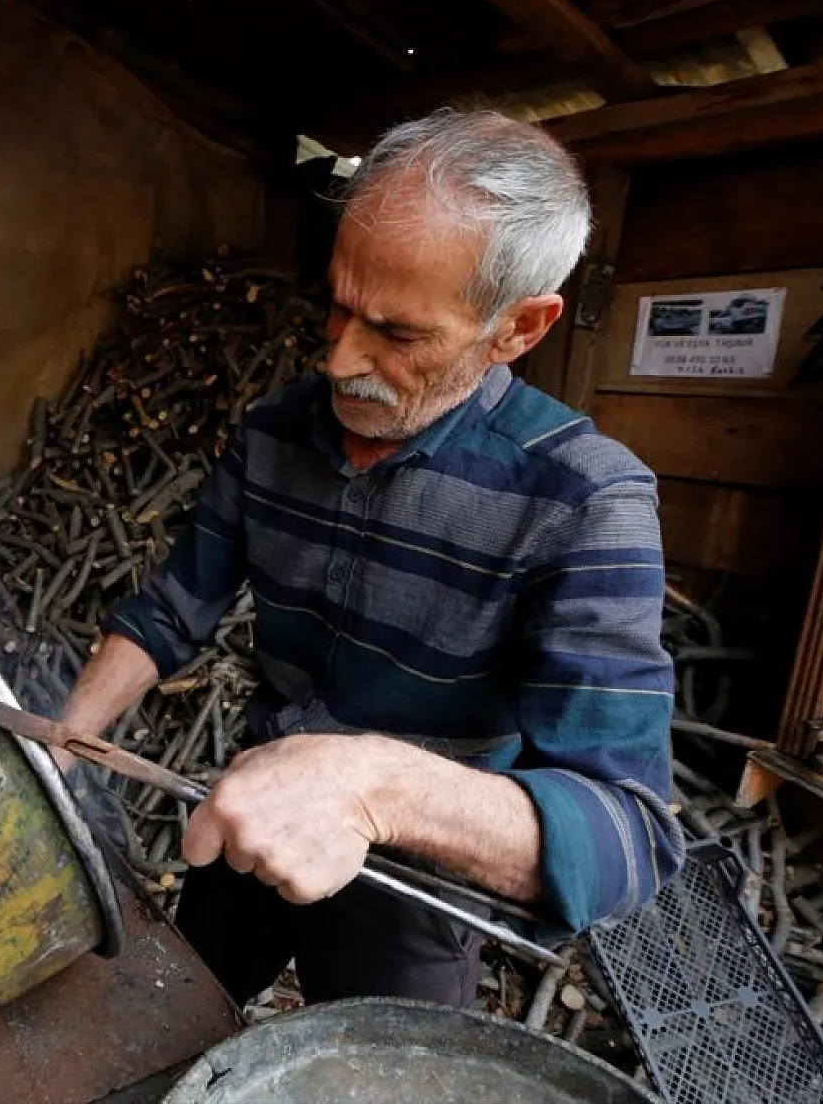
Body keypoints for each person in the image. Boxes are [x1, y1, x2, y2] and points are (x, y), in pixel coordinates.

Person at [59, 109, 684, 1009]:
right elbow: (172, 606)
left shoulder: (584, 500)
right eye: (339, 306)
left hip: (413, 884)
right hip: (250, 812)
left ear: (519, 328)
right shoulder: (276, 430)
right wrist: (68, 740)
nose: (341, 355)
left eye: (397, 333)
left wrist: (370, 785)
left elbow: (629, 837)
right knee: (159, 1030)